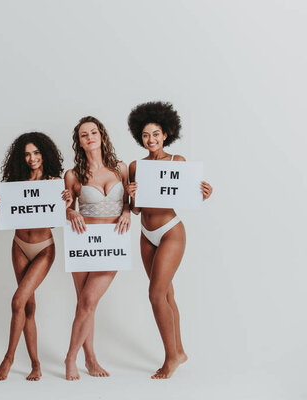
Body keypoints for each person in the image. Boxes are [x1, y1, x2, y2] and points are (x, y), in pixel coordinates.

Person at [126, 101, 213, 379]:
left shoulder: (177, 163)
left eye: (156, 134)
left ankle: (171, 357)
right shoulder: (135, 165)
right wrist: (132, 195)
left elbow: (187, 196)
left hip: (170, 231)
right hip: (145, 233)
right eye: (145, 135)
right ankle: (180, 350)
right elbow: (136, 210)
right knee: (167, 293)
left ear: (166, 134)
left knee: (155, 294)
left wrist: (203, 193)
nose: (150, 140)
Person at [0, 132, 70, 381]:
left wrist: (67, 204)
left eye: (36, 152)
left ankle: (8, 360)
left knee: (17, 301)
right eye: (27, 154)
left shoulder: (54, 182)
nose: (32, 158)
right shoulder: (15, 183)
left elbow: (58, 219)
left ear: (44, 154)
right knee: (28, 306)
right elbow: (10, 215)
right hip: (19, 245)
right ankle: (36, 364)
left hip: (43, 248)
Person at [63, 116, 130, 380]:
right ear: (79, 142)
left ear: (101, 136)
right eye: (83, 134)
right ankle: (89, 359)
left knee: (89, 300)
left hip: (113, 242)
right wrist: (70, 212)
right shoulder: (72, 175)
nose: (89, 137)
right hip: (82, 241)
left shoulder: (120, 168)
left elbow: (131, 200)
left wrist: (126, 211)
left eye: (93, 132)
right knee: (84, 304)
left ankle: (70, 357)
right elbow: (66, 206)